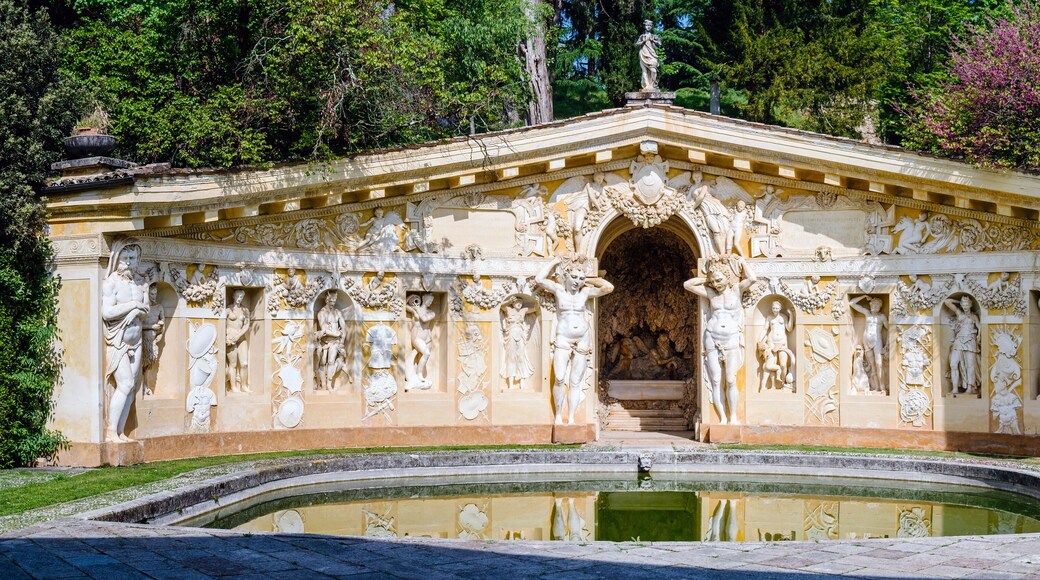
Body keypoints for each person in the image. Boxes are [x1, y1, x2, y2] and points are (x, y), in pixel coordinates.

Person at [535, 256, 614, 425]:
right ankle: (558, 416)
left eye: (581, 278)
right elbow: (539, 279)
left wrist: (591, 278)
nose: (577, 281)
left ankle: (570, 418)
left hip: (582, 340)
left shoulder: (585, 293)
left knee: (575, 381)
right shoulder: (558, 290)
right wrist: (555, 262)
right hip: (563, 338)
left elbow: (608, 287)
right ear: (566, 276)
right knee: (560, 378)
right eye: (574, 277)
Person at [684, 254, 756, 424]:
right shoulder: (710, 293)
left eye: (719, 280)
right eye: (713, 281)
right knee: (716, 380)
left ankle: (733, 417)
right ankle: (722, 418)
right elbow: (687, 284)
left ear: (727, 277)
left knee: (730, 379)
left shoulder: (737, 290)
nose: (716, 284)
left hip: (731, 338)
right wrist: (705, 278)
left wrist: (742, 262)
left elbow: (752, 278)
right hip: (711, 338)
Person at [102, 242, 149, 442]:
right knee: (126, 383)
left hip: (136, 341)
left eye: (132, 259)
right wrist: (133, 305)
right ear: (118, 259)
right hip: (118, 341)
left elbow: (147, 309)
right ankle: (111, 431)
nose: (129, 263)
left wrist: (138, 310)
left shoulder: (141, 283)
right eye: (125, 259)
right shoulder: (111, 283)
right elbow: (107, 312)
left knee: (133, 386)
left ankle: (120, 432)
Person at [849, 296, 888, 392]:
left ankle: (882, 387)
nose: (874, 307)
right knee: (873, 366)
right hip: (866, 340)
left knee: (879, 364)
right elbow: (852, 303)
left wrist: (886, 345)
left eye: (876, 305)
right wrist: (864, 296)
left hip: (877, 340)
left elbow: (890, 330)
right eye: (872, 305)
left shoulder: (882, 317)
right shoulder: (867, 314)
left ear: (880, 307)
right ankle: (876, 387)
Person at [944, 295, 980, 394]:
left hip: (970, 341)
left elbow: (980, 327)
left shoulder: (974, 317)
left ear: (970, 304)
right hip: (959, 340)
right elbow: (947, 301)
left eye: (966, 304)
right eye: (963, 304)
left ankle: (970, 388)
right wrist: (958, 301)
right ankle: (955, 388)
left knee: (970, 365)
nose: (965, 306)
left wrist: (979, 336)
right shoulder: (959, 313)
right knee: (953, 364)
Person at [500, 296, 535, 389]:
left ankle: (522, 381)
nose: (519, 303)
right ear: (513, 303)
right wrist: (508, 301)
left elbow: (535, 308)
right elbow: (500, 306)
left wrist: (539, 299)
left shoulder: (523, 310)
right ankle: (510, 383)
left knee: (521, 357)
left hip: (520, 335)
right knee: (511, 358)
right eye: (517, 302)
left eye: (521, 302)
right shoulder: (508, 309)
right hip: (511, 334)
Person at [315, 291, 348, 390]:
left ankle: (329, 384)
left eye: (334, 301)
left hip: (335, 342)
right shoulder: (321, 313)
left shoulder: (338, 312)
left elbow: (344, 328)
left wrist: (342, 342)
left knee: (331, 361)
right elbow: (324, 328)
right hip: (324, 342)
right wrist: (336, 333)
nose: (333, 303)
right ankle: (323, 384)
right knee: (322, 362)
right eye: (331, 301)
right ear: (326, 299)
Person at [404, 293, 436, 390]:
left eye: (431, 301)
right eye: (429, 300)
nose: (430, 302)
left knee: (421, 356)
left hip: (427, 338)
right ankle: (419, 374)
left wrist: (416, 309)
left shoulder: (431, 312)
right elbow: (404, 305)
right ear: (423, 298)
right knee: (426, 353)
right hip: (417, 337)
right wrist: (413, 308)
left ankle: (415, 378)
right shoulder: (415, 309)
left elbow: (424, 318)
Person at [225, 289, 252, 393]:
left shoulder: (245, 310)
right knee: (233, 364)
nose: (239, 299)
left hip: (241, 338)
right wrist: (227, 337)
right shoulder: (228, 309)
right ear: (233, 296)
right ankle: (233, 387)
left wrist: (239, 335)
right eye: (237, 296)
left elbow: (246, 325)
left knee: (244, 363)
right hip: (230, 338)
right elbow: (223, 324)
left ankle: (244, 386)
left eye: (241, 297)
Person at [141, 284, 165, 395]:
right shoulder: (144, 307)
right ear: (148, 294)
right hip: (143, 339)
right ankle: (143, 387)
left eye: (155, 294)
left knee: (150, 363)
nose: (154, 296)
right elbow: (138, 325)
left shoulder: (159, 307)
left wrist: (159, 336)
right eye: (151, 294)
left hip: (153, 340)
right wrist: (151, 327)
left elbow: (163, 325)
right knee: (142, 364)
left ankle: (146, 387)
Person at [635, 19, 661, 91]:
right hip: (643, 53)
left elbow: (660, 44)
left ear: (651, 27)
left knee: (654, 71)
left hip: (652, 55)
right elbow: (637, 44)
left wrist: (654, 41)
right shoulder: (642, 36)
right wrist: (642, 41)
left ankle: (653, 84)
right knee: (644, 70)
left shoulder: (654, 36)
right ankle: (647, 85)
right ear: (644, 26)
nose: (648, 27)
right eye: (647, 25)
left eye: (650, 25)